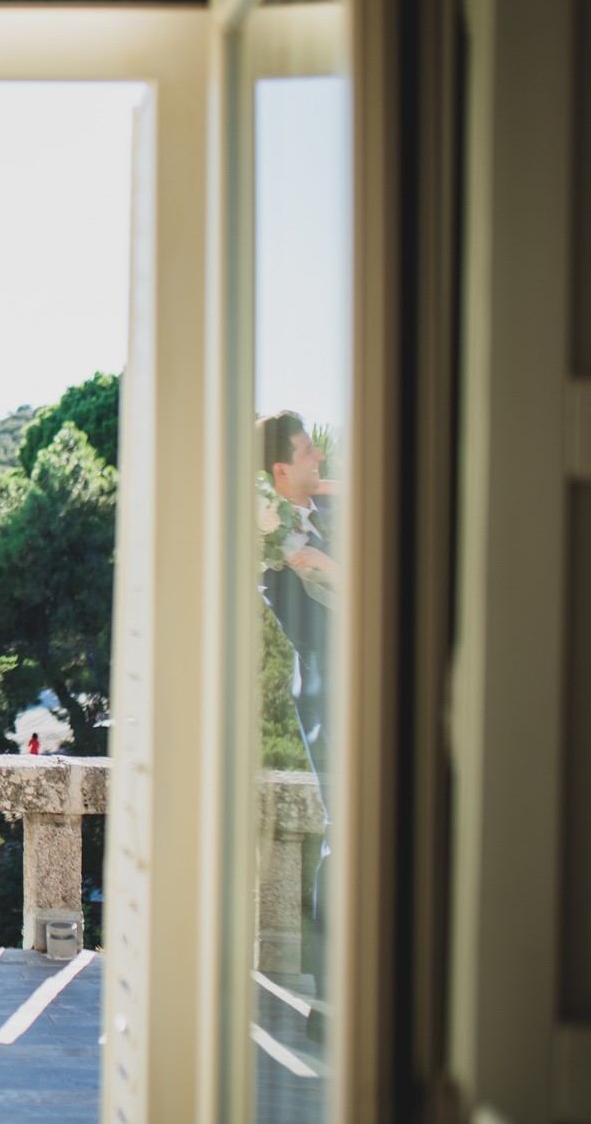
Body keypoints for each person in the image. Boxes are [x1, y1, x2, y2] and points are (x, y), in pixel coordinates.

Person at [257, 409, 338, 1037]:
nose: (319, 459)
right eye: (308, 453)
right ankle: (333, 1005)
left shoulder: (315, 521)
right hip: (333, 702)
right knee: (347, 839)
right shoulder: (280, 545)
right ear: (281, 469)